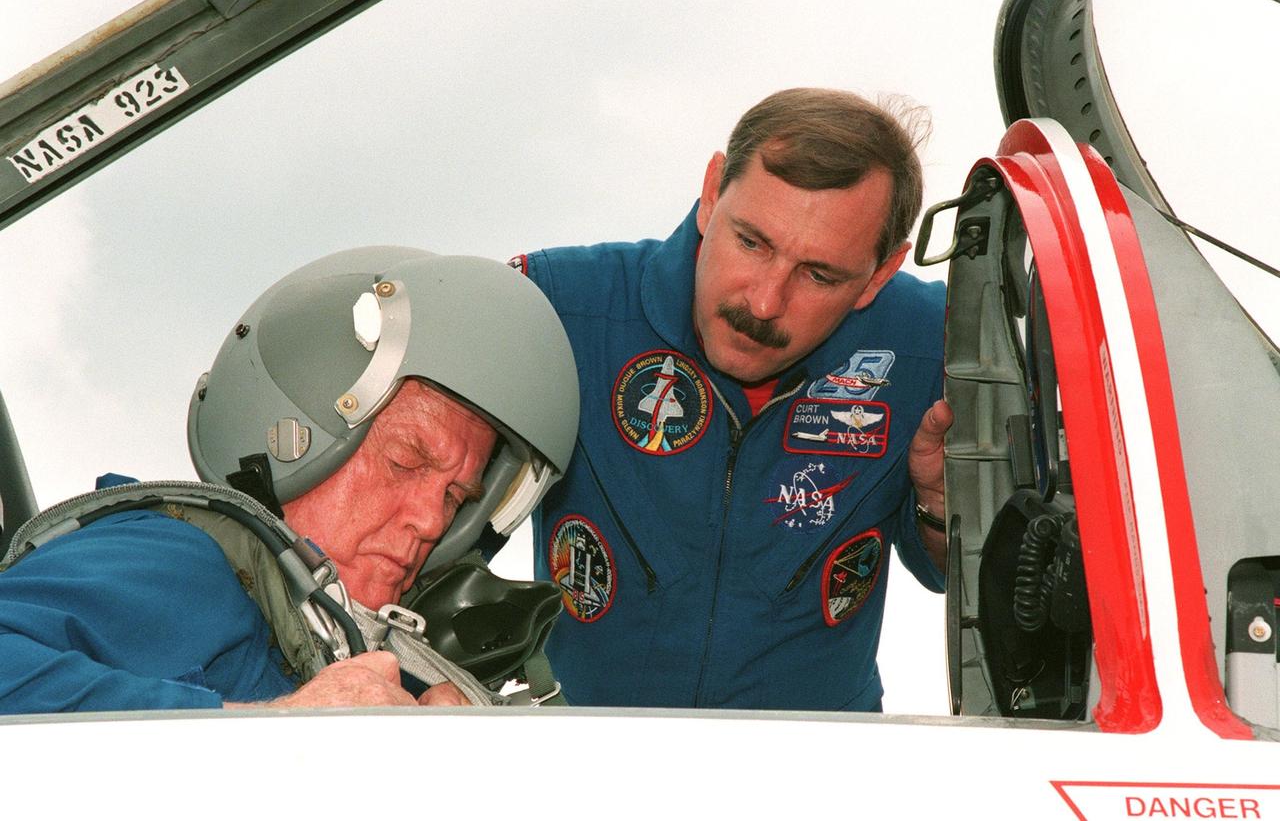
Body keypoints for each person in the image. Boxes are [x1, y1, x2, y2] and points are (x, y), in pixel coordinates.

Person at [512, 88, 952, 711]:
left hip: (819, 775)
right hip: (588, 762)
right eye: (752, 242)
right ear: (713, 189)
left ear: (880, 274)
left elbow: (961, 576)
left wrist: (937, 503)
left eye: (819, 275)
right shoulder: (555, 306)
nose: (765, 303)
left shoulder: (937, 347)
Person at [0, 247, 578, 713]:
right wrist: (284, 729)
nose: (430, 520)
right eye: (406, 462)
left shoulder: (356, 655)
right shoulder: (182, 559)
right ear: (294, 434)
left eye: (455, 497)